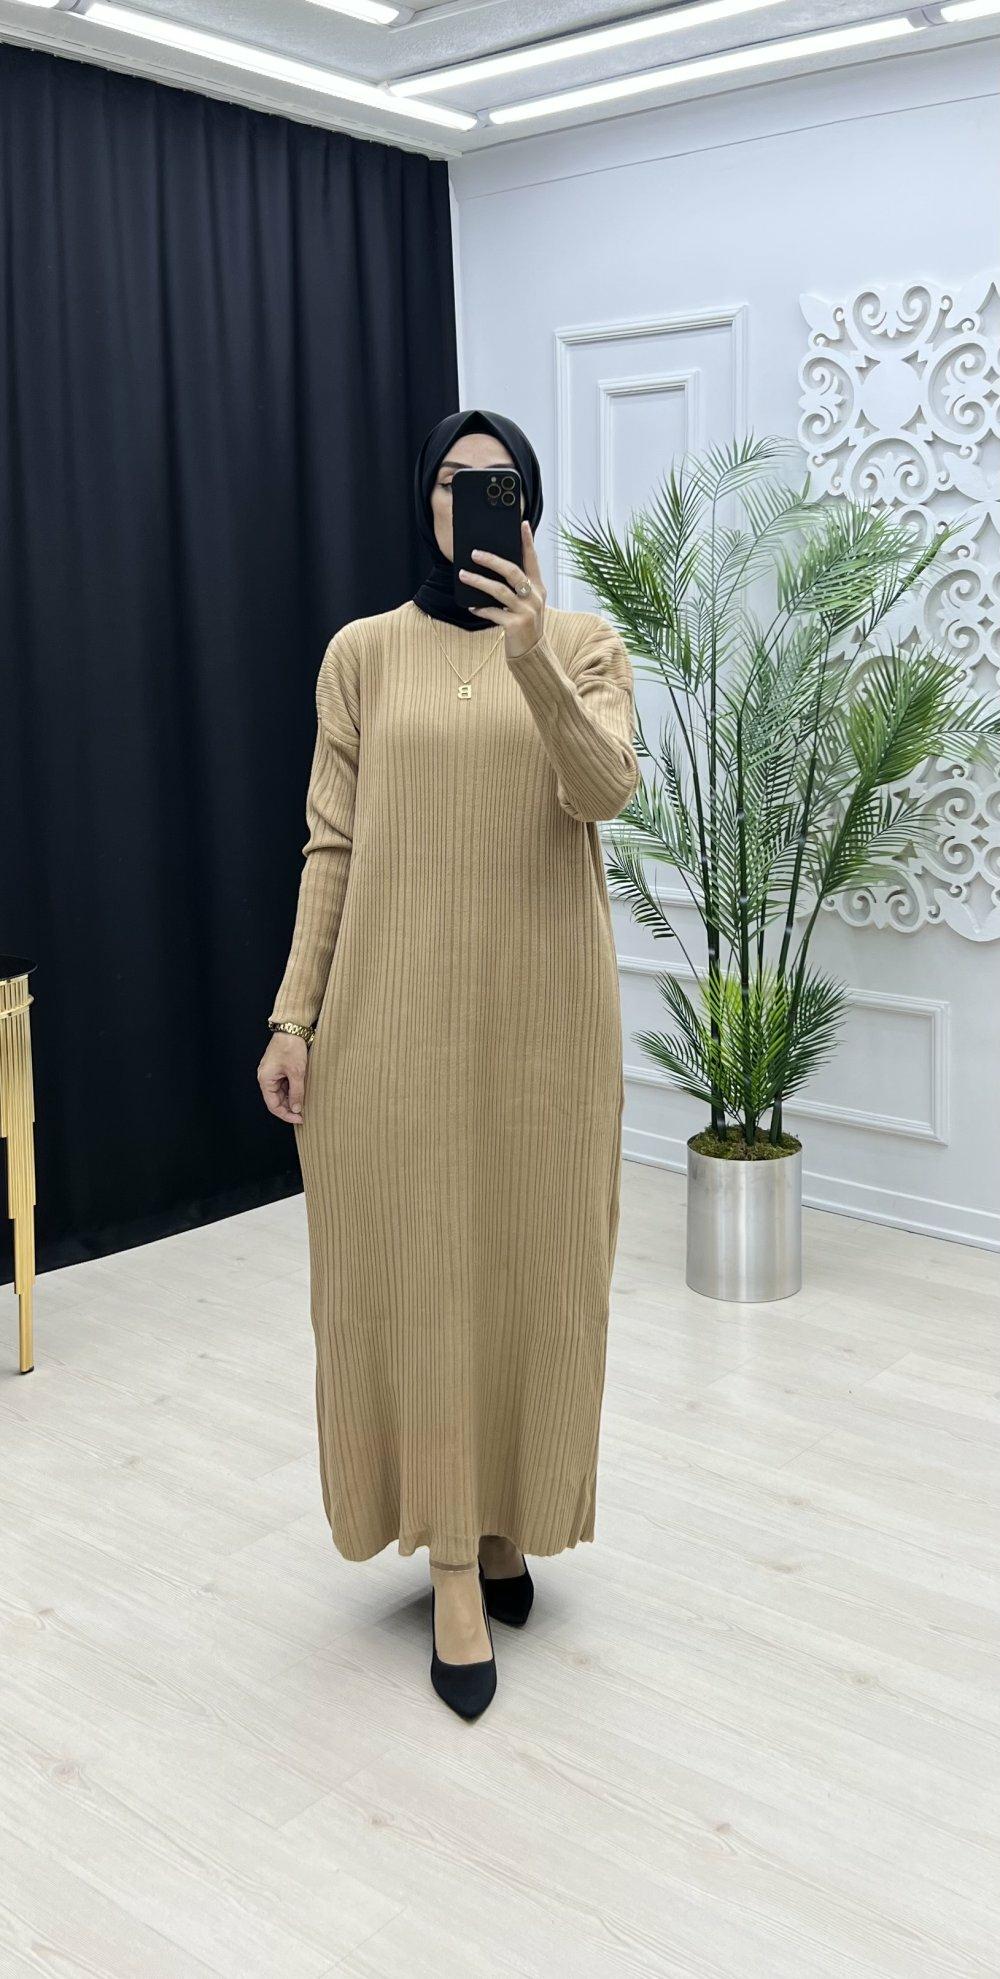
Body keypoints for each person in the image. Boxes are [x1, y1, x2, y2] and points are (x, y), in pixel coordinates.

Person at [258, 408, 640, 1719]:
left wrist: (532, 659)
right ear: (425, 501)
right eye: (454, 480)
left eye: (502, 482)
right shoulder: (361, 655)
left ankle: (507, 1519)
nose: (476, 498)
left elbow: (603, 792)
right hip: (394, 1027)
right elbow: (331, 843)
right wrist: (294, 1016)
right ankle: (454, 1569)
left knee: (534, 1271)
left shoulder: (584, 644)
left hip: (546, 1031)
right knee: (421, 1280)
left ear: (528, 506)